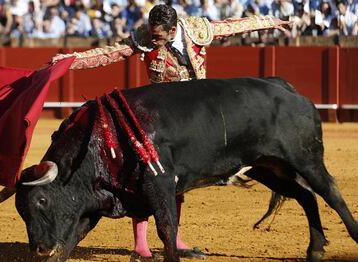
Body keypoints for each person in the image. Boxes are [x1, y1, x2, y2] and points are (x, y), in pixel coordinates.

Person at [52, 4, 290, 259]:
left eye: (158, 36)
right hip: (158, 118)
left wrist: (269, 21)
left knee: (177, 180)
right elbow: (110, 53)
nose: (152, 40)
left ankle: (173, 238)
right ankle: (140, 245)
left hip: (191, 118)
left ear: (173, 29)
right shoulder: (144, 38)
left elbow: (232, 26)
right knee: (145, 177)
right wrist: (71, 60)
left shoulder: (198, 30)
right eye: (151, 35)